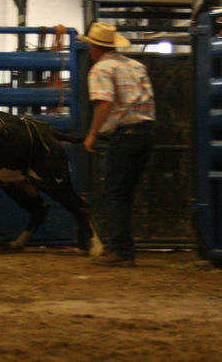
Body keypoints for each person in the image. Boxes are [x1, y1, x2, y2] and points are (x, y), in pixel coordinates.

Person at [78, 22, 155, 267]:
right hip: (146, 132)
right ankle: (123, 248)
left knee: (114, 192)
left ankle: (120, 249)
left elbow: (104, 103)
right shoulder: (136, 65)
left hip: (125, 134)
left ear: (94, 47)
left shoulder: (101, 68)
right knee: (124, 192)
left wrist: (92, 135)